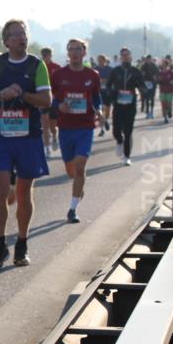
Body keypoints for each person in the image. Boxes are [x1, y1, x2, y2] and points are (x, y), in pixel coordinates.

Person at [0, 19, 52, 269]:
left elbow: (46, 100)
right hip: (1, 136)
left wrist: (23, 94)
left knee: (23, 192)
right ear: (6, 41)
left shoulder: (36, 65)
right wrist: (1, 94)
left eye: (24, 33)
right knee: (0, 191)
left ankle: (22, 242)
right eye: (16, 34)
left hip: (28, 136)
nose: (22, 37)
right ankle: (0, 245)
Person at [51, 39, 102, 224]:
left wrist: (100, 110)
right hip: (65, 127)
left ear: (84, 53)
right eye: (71, 49)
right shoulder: (58, 75)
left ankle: (72, 209)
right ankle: (78, 187)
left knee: (80, 167)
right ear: (67, 52)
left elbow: (97, 98)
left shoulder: (92, 75)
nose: (74, 52)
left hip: (85, 126)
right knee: (71, 170)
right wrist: (59, 105)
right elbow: (51, 98)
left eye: (78, 49)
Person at [106, 47, 147, 166]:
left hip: (130, 104)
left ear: (130, 57)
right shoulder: (115, 71)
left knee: (128, 131)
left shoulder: (135, 71)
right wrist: (111, 93)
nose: (125, 57)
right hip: (118, 104)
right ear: (120, 57)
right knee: (116, 130)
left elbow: (142, 85)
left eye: (127, 55)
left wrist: (144, 89)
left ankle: (127, 156)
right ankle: (119, 140)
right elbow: (108, 85)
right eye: (122, 55)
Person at [39, 48, 62, 158]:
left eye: (48, 55)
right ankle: (47, 148)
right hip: (43, 99)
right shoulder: (38, 66)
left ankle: (54, 135)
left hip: (55, 99)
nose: (46, 56)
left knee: (53, 125)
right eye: (44, 55)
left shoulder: (57, 68)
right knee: (45, 124)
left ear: (51, 55)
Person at [95, 54, 113, 136]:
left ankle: (105, 120)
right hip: (98, 92)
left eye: (101, 60)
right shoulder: (95, 69)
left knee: (107, 110)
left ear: (105, 61)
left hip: (107, 92)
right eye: (98, 60)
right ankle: (102, 129)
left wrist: (105, 81)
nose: (100, 62)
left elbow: (112, 80)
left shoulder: (109, 69)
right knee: (100, 110)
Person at [140, 54, 160, 120]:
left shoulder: (154, 66)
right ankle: (147, 112)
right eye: (147, 59)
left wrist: (155, 77)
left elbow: (158, 73)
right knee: (147, 98)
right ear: (146, 59)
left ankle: (151, 112)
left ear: (151, 59)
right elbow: (141, 74)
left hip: (152, 83)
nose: (148, 60)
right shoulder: (143, 66)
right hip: (146, 83)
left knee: (152, 98)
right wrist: (143, 76)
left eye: (149, 59)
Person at [157, 58, 173, 123]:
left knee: (169, 104)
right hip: (162, 90)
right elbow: (158, 81)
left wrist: (172, 82)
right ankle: (165, 118)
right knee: (163, 105)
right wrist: (158, 80)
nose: (163, 65)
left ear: (167, 65)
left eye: (164, 64)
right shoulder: (160, 73)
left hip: (170, 90)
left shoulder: (171, 72)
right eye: (162, 64)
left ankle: (169, 111)